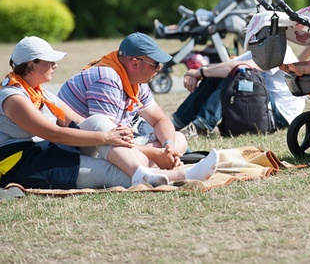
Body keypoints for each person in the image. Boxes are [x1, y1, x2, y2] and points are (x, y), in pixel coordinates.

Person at [0, 35, 218, 191]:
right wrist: (109, 138)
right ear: (31, 65)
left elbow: (81, 123)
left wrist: (115, 136)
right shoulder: (13, 98)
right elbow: (55, 133)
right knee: (116, 175)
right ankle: (183, 174)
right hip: (16, 167)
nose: (55, 65)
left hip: (46, 154)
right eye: (49, 61)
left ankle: (147, 171)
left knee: (105, 131)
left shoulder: (40, 93)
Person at [58, 32, 202, 171]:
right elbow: (108, 141)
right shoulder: (107, 79)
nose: (159, 68)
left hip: (110, 144)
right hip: (82, 149)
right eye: (155, 63)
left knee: (179, 139)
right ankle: (146, 166)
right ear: (135, 63)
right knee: (134, 156)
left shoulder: (136, 81)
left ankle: (148, 164)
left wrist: (168, 145)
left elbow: (159, 119)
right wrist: (156, 153)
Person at [172, 46, 306, 138]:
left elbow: (238, 67)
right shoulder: (258, 50)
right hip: (264, 104)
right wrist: (197, 73)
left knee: (239, 72)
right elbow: (224, 66)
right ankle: (177, 123)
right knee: (218, 73)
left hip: (280, 115)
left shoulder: (280, 50)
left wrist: (199, 72)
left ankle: (201, 125)